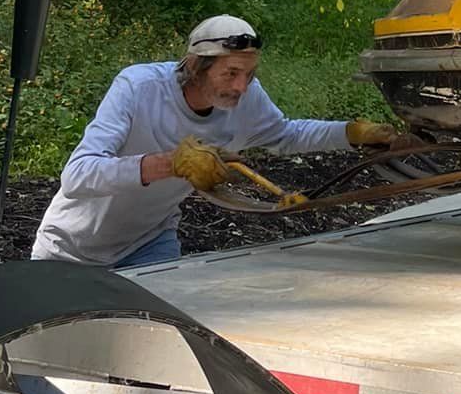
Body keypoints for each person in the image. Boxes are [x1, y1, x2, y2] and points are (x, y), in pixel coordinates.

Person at [31, 14, 403, 269]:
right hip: (70, 250)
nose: (242, 86)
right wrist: (170, 163)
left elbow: (286, 134)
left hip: (148, 243)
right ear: (196, 65)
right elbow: (77, 176)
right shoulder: (138, 88)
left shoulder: (248, 98)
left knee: (162, 349)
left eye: (249, 74)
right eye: (231, 73)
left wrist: (351, 133)